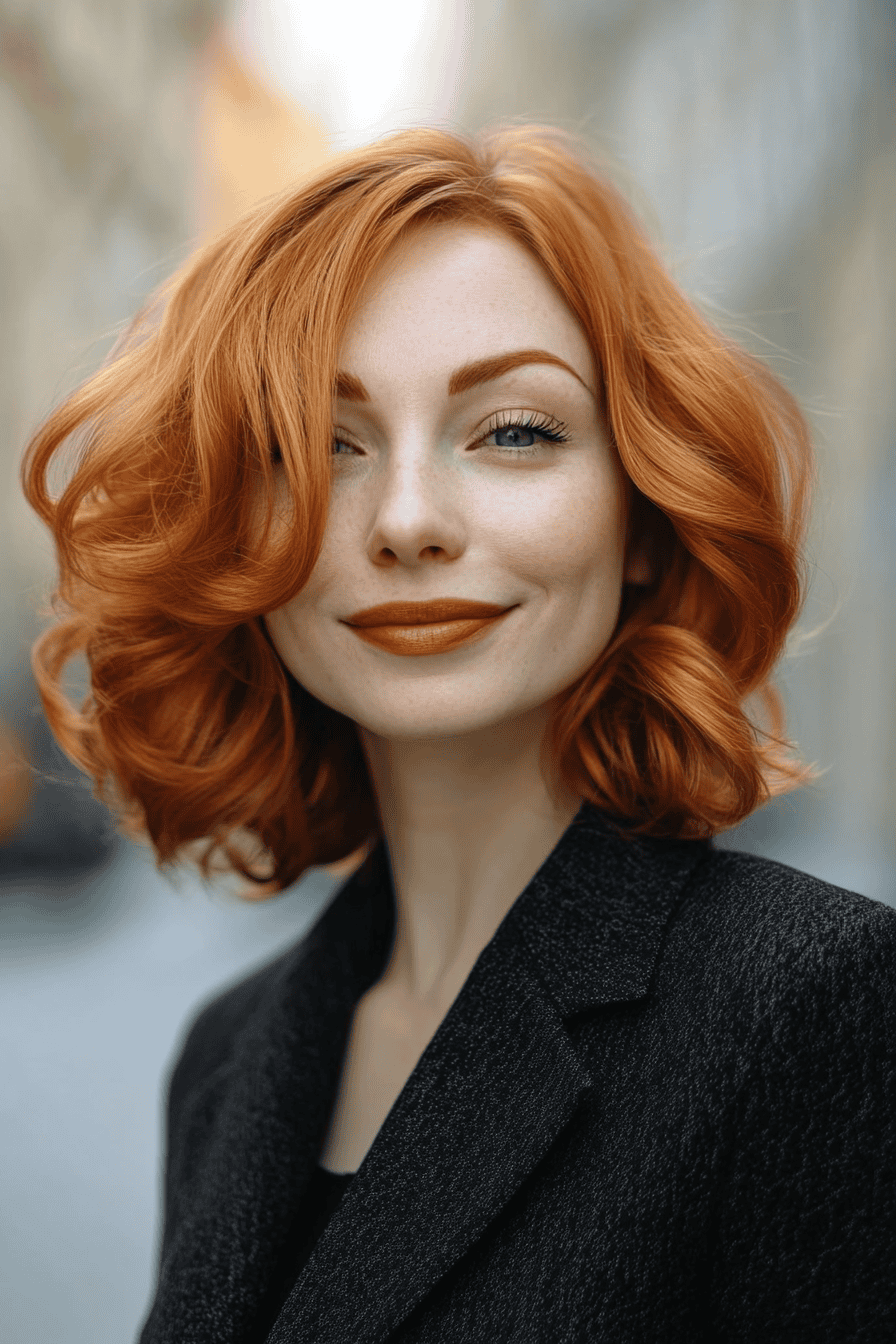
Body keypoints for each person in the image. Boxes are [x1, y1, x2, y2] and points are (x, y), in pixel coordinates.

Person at [23, 126, 896, 1343]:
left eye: (515, 431)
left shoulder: (816, 1007)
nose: (410, 520)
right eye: (319, 447)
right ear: (238, 543)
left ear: (640, 516)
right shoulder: (229, 1062)